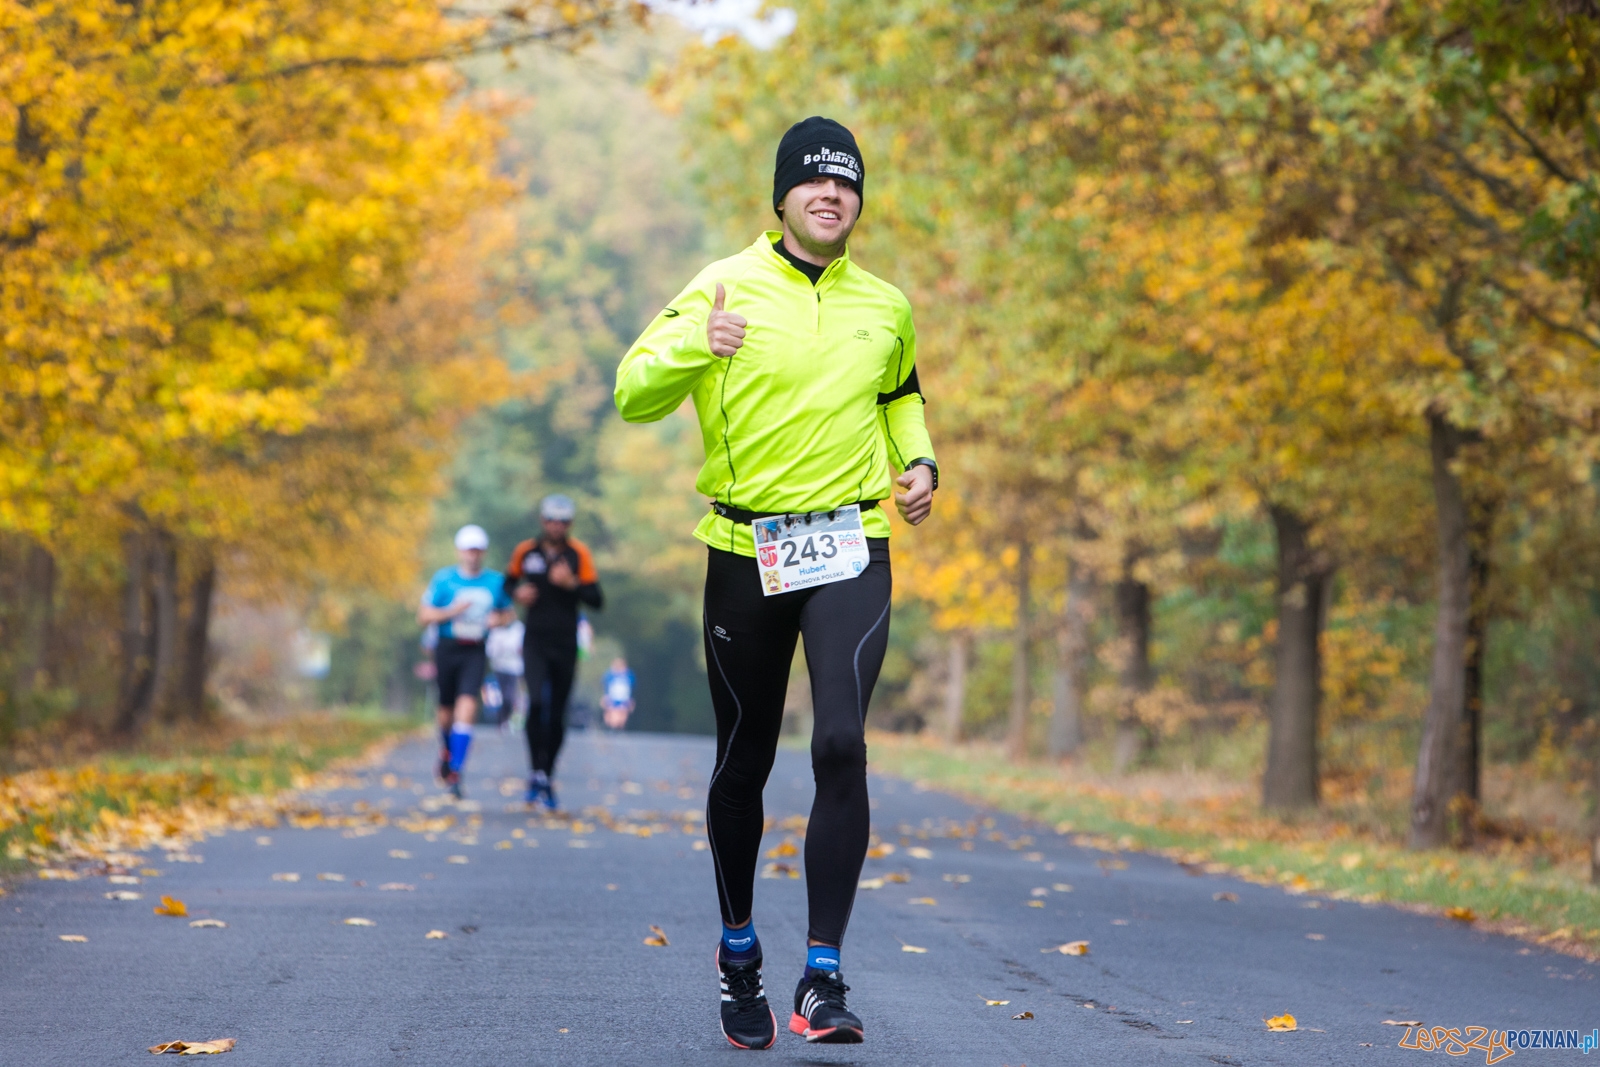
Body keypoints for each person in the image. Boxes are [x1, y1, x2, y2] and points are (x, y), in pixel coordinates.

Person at [615, 116, 937, 1049]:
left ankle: (824, 974)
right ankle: (739, 951)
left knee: (840, 742)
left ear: (858, 201)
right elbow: (634, 389)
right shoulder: (720, 285)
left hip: (850, 543)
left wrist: (919, 465)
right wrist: (694, 345)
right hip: (743, 548)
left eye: (847, 185)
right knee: (744, 757)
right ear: (782, 197)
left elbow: (901, 396)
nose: (831, 196)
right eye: (814, 183)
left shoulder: (886, 303)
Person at [505, 494, 603, 810]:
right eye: (551, 520)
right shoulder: (526, 551)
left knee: (558, 711)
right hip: (534, 640)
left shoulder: (578, 554)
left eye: (562, 521)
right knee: (535, 703)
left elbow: (596, 599)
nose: (556, 526)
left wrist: (571, 583)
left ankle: (548, 774)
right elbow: (506, 585)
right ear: (543, 521)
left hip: (564, 642)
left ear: (569, 524)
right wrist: (517, 593)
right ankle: (535, 771)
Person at [417, 524, 515, 799]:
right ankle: (446, 750)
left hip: (475, 650)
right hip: (447, 648)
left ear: (483, 553)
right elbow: (423, 616)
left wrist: (499, 620)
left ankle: (457, 772)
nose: (473, 555)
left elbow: (509, 613)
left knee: (468, 705)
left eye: (478, 551)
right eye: (469, 550)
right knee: (446, 710)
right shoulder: (444, 580)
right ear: (460, 552)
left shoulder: (495, 582)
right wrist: (451, 612)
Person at [486, 618, 527, 733]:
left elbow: (523, 647)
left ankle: (506, 719)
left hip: (514, 668)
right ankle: (500, 720)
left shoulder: (519, 628)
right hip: (499, 667)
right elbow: (490, 649)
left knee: (510, 695)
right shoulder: (496, 629)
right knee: (500, 696)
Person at [600, 656, 635, 730]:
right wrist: (605, 698)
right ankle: (610, 730)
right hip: (612, 699)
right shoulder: (609, 675)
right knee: (612, 718)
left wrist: (631, 701)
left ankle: (619, 731)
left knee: (621, 718)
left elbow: (631, 688)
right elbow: (606, 687)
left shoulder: (629, 675)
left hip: (624, 700)